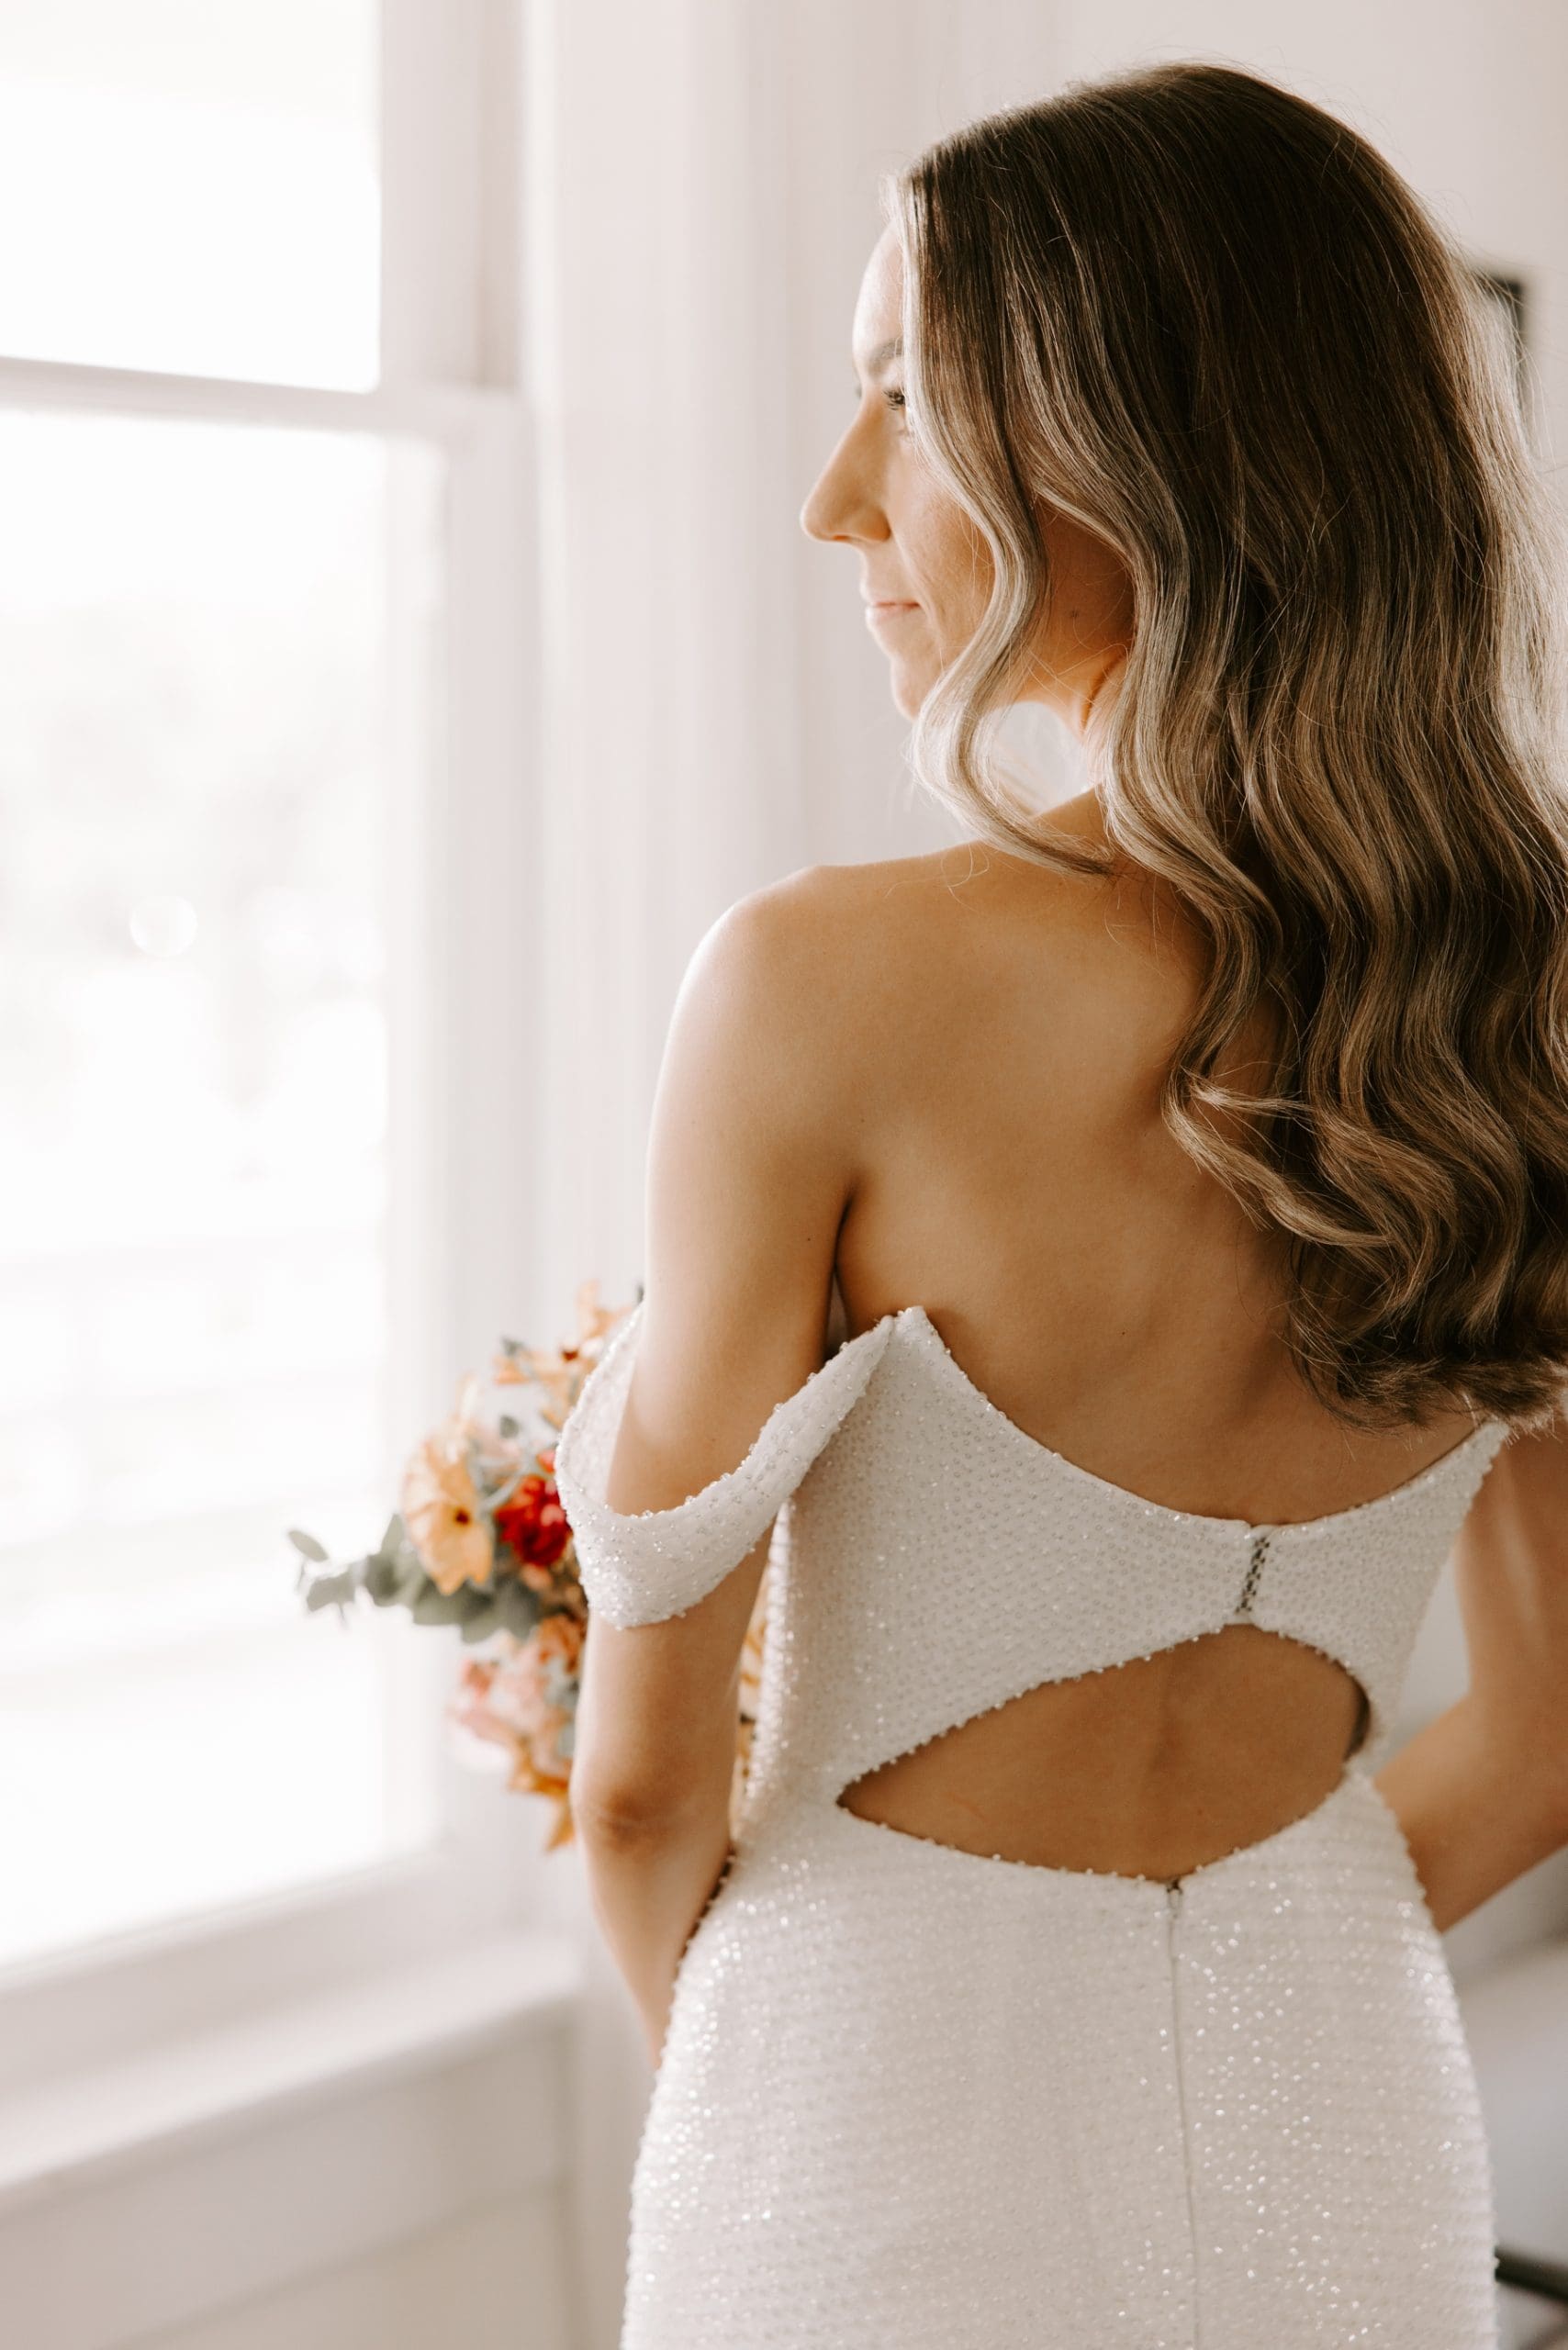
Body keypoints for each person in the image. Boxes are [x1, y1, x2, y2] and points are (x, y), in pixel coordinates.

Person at [553, 58, 1568, 2348]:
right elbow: (1550, 1719)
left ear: (1135, 439)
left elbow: (636, 1793)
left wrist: (781, 2070)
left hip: (861, 2089)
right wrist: (1245, 1961)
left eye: (904, 397)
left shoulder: (819, 984)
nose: (834, 500)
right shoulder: (1533, 1001)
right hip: (1344, 2081)